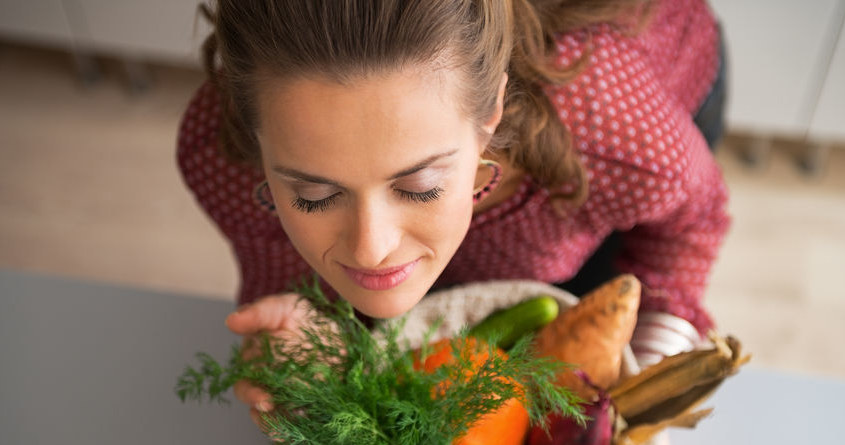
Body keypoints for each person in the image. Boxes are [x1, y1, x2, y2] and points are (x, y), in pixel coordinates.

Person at [176, 0, 730, 429]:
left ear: (489, 117)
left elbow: (690, 223)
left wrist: (649, 383)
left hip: (659, 76)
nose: (371, 249)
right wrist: (303, 341)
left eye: (420, 186)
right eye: (315, 197)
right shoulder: (222, 161)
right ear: (256, 139)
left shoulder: (616, 137)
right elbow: (299, 297)